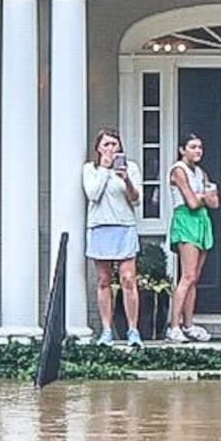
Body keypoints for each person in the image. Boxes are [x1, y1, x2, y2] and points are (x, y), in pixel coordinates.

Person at [82, 130, 145, 344]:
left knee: (128, 278)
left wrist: (126, 180)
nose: (111, 149)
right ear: (98, 147)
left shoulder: (131, 168)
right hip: (100, 226)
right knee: (104, 280)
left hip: (124, 225)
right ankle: (107, 330)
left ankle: (133, 330)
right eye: (107, 144)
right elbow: (93, 194)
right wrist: (105, 169)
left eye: (115, 144)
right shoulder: (90, 169)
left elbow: (136, 200)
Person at [166, 134, 221, 343]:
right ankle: (174, 326)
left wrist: (205, 197)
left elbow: (214, 202)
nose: (198, 151)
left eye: (200, 147)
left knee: (194, 278)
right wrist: (203, 197)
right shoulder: (178, 170)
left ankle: (189, 324)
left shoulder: (201, 172)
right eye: (193, 147)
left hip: (201, 221)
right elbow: (191, 202)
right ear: (182, 149)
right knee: (187, 276)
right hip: (186, 221)